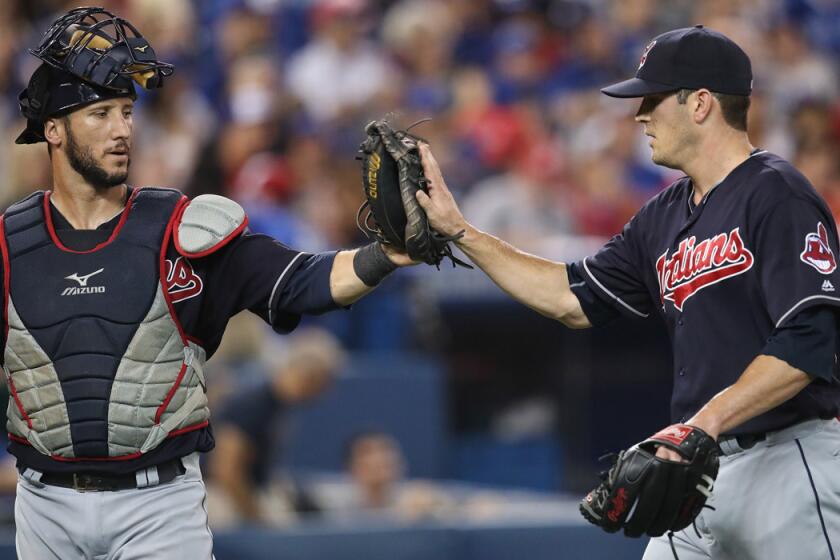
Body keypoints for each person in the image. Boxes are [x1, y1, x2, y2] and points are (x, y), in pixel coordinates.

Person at [416, 25, 840, 559]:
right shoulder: (661, 217)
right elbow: (571, 298)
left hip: (788, 461)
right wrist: (463, 234)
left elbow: (808, 341)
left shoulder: (777, 194)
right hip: (699, 468)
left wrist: (702, 424)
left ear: (702, 103)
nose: (639, 115)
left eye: (653, 99)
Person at [5, 7, 411, 559]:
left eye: (127, 111)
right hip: (43, 505)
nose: (123, 128)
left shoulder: (180, 228)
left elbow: (302, 282)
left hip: (157, 506)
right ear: (52, 130)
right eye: (100, 114)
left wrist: (385, 253)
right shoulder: (10, 243)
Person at [207, 328, 345, 527]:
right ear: (311, 376)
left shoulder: (279, 406)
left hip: (253, 489)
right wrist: (256, 517)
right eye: (324, 383)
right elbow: (225, 470)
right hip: (220, 497)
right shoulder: (253, 405)